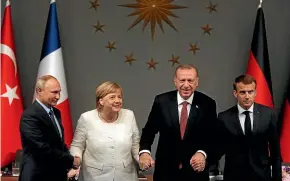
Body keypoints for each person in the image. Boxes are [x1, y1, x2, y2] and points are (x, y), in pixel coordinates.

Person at [139, 64, 218, 181]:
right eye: (182, 80)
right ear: (175, 81)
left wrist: (202, 153)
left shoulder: (207, 104)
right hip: (165, 171)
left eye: (190, 80)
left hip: (195, 172)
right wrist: (144, 153)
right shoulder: (161, 101)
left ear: (197, 82)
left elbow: (213, 136)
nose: (186, 85)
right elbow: (149, 132)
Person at [69, 81, 140, 181]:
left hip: (126, 176)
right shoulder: (86, 118)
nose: (117, 100)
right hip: (94, 176)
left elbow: (135, 145)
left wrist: (142, 159)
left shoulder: (129, 115)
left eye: (119, 97)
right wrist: (76, 158)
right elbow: (77, 146)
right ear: (101, 101)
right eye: (112, 97)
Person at [216, 74, 282, 181]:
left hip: (262, 176)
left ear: (255, 93)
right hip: (234, 176)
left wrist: (277, 178)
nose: (247, 96)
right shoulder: (224, 117)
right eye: (242, 92)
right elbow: (217, 150)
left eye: (250, 92)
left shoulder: (268, 114)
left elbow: (276, 152)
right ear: (235, 93)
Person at [19, 75, 80, 181]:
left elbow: (58, 143)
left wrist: (70, 162)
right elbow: (41, 148)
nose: (58, 96)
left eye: (59, 92)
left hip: (56, 175)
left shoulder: (56, 112)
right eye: (54, 92)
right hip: (37, 176)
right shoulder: (30, 115)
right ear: (39, 91)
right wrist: (71, 160)